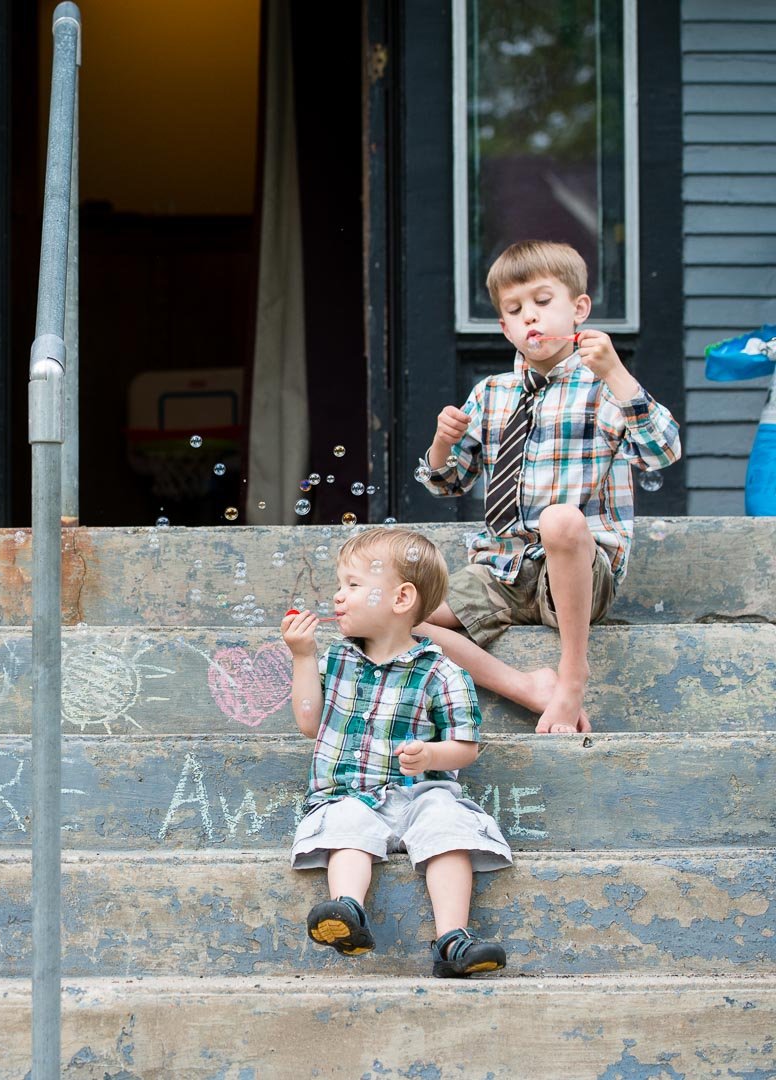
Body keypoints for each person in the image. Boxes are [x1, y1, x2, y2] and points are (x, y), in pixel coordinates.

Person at [417, 240, 682, 734]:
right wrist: (440, 444)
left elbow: (662, 452)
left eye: (543, 302)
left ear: (579, 309)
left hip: (581, 571)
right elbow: (448, 482)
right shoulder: (490, 393)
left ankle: (572, 674)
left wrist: (617, 373)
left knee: (561, 519)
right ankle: (527, 686)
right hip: (503, 568)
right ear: (504, 327)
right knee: (400, 616)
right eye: (515, 310)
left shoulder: (602, 386)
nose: (529, 318)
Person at [282, 527, 510, 977]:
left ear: (402, 598)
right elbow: (310, 722)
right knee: (346, 824)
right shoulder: (336, 661)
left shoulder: (443, 672)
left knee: (448, 826)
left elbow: (466, 746)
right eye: (338, 585)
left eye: (352, 585)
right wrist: (303, 656)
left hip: (421, 794)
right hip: (350, 792)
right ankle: (346, 911)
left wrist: (431, 756)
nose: (337, 596)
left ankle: (453, 940)